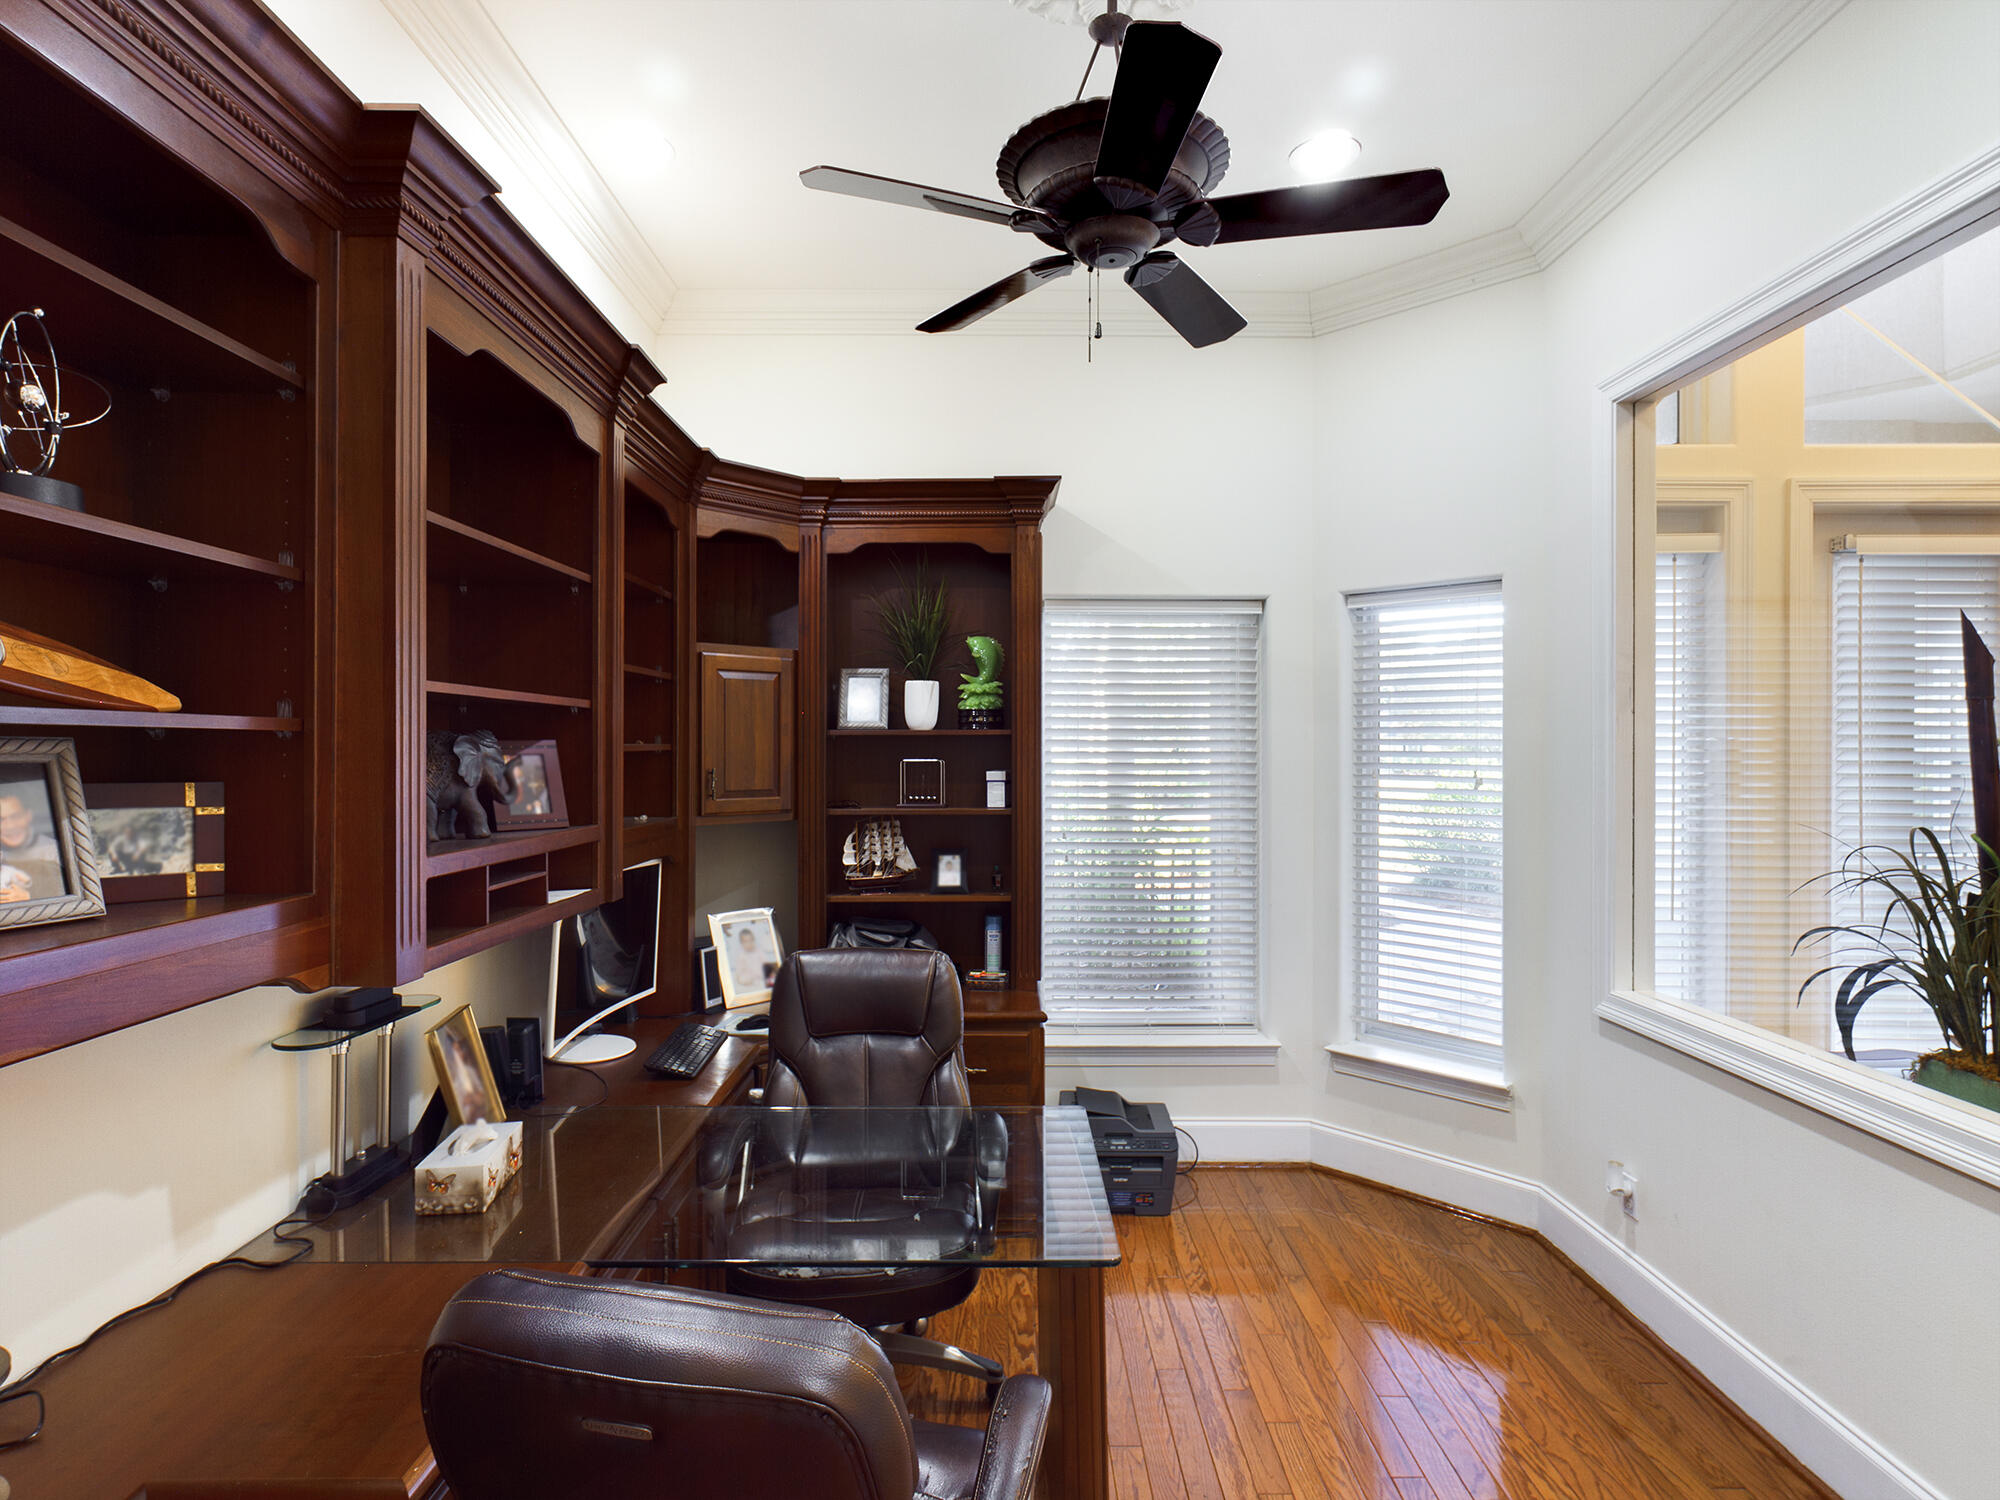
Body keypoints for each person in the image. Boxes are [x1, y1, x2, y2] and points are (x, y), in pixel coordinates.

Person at [0, 775, 67, 903]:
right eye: (1, 819)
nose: (10, 826)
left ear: (28, 815)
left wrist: (31, 899)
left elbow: (68, 895)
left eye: (16, 816)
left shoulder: (54, 851)